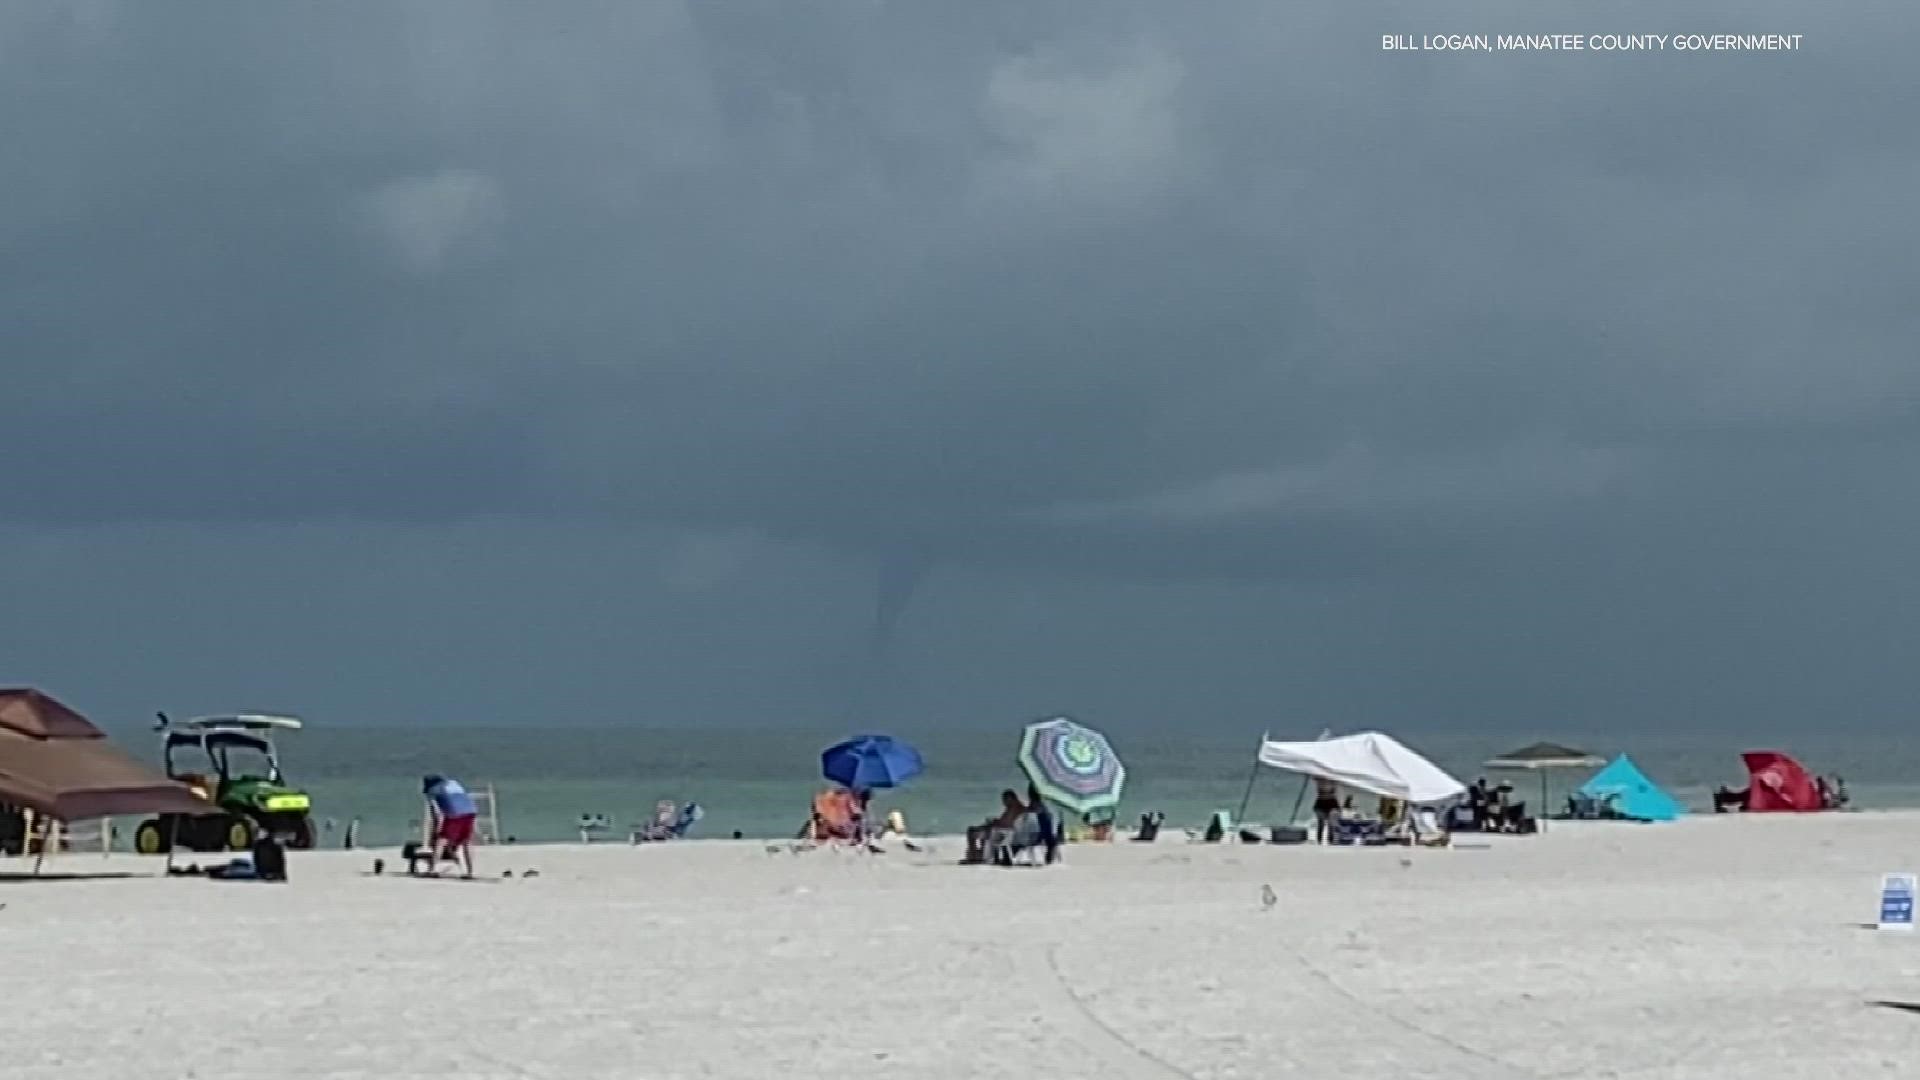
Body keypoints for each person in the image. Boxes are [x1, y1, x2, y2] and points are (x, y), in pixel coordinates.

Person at [422, 774, 477, 878]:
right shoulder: (454, 783)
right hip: (470, 811)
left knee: (441, 840)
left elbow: (436, 813)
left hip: (454, 813)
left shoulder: (432, 791)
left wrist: (436, 830)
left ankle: (432, 870)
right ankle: (470, 872)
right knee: (466, 841)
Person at [1312, 777, 1340, 844]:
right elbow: (1314, 778)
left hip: (1331, 803)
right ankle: (1320, 840)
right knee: (1321, 823)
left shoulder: (1332, 780)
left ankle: (1330, 840)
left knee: (1330, 824)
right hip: (1321, 804)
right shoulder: (1320, 780)